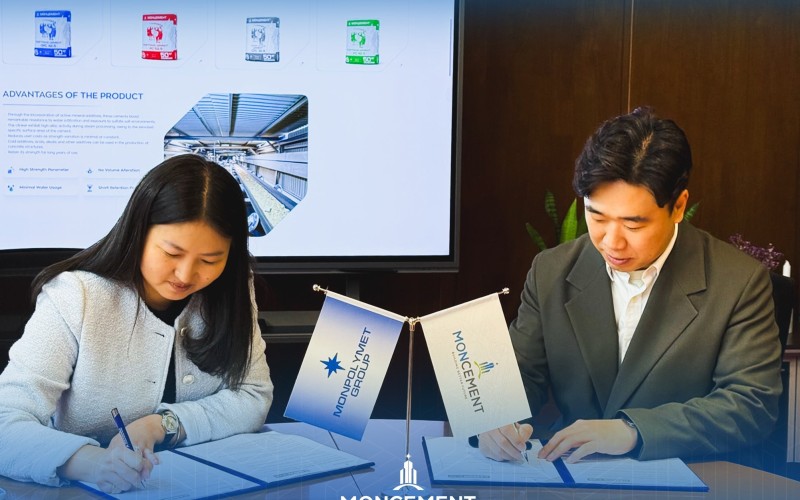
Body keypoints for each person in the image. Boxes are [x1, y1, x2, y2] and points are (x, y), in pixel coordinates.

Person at [478, 107, 782, 465]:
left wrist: (634, 431)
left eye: (634, 225)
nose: (612, 242)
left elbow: (751, 405)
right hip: (569, 472)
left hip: (684, 475)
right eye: (596, 216)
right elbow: (518, 375)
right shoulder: (551, 271)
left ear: (679, 206)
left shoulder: (739, 282)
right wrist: (493, 420)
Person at [0, 154, 273, 493]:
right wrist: (91, 463)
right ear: (138, 232)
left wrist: (162, 425)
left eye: (210, 260)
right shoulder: (75, 295)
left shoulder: (232, 291)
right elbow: (5, 421)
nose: (186, 274)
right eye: (171, 253)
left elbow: (253, 396)